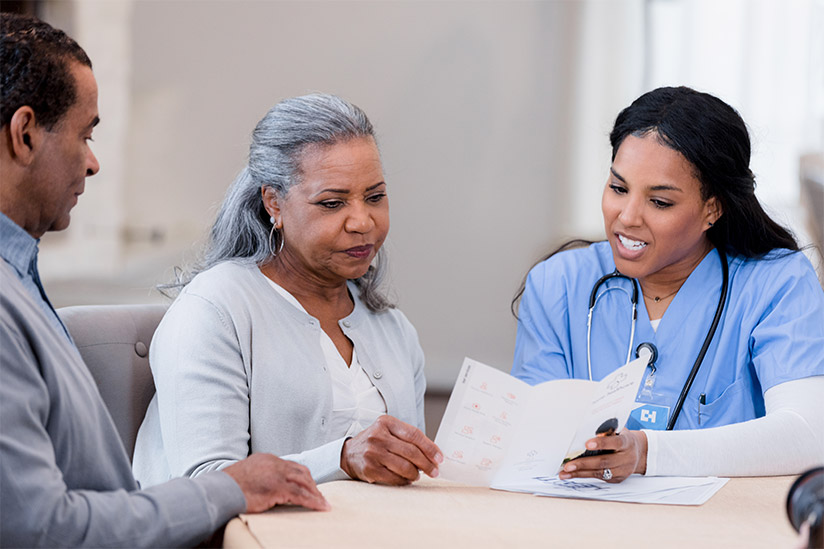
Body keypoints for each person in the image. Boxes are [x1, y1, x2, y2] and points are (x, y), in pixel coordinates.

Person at [0, 14, 328, 548]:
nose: (94, 162)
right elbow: (43, 530)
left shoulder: (18, 277)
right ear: (25, 133)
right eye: (85, 135)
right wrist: (228, 489)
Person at [511, 86, 824, 483]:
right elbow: (536, 442)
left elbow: (810, 434)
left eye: (659, 202)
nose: (627, 217)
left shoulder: (776, 284)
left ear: (713, 208)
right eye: (618, 188)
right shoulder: (558, 284)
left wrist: (646, 452)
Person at [132, 93, 443, 488]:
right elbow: (204, 484)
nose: (362, 221)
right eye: (332, 203)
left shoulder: (393, 330)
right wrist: (342, 458)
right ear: (273, 203)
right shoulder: (215, 309)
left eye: (375, 197)